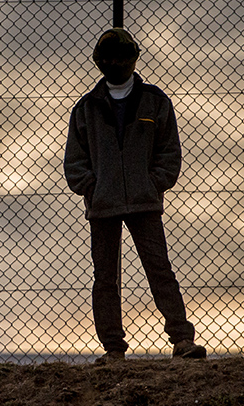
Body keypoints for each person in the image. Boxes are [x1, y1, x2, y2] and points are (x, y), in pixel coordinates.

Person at [63, 27, 205, 363]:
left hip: (144, 201)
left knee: (160, 270)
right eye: (108, 57)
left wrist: (153, 182)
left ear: (133, 57)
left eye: (121, 56)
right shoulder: (85, 108)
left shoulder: (155, 101)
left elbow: (169, 153)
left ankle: (182, 340)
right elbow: (74, 161)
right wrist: (92, 187)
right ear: (99, 61)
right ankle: (113, 349)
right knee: (105, 278)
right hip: (103, 205)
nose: (114, 62)